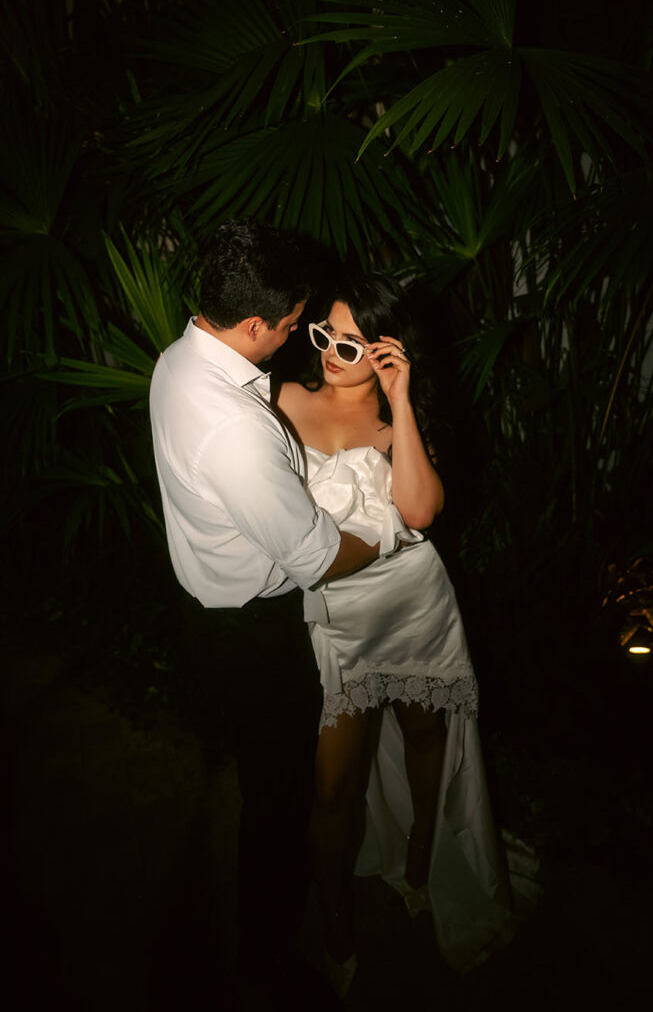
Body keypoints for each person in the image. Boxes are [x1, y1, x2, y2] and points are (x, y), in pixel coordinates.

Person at [148, 221, 383, 1005]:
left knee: (267, 776)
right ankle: (267, 958)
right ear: (255, 323)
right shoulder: (237, 429)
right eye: (290, 324)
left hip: (204, 611)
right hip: (252, 636)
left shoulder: (177, 360)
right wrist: (388, 535)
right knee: (278, 801)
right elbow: (317, 556)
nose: (297, 337)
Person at [275, 271, 517, 993]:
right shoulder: (283, 404)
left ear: (386, 349)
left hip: (414, 602)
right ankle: (338, 915)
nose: (329, 352)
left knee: (422, 734)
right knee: (331, 787)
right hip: (341, 618)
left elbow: (418, 512)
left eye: (351, 343)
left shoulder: (397, 421)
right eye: (323, 336)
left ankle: (419, 859)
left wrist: (401, 398)